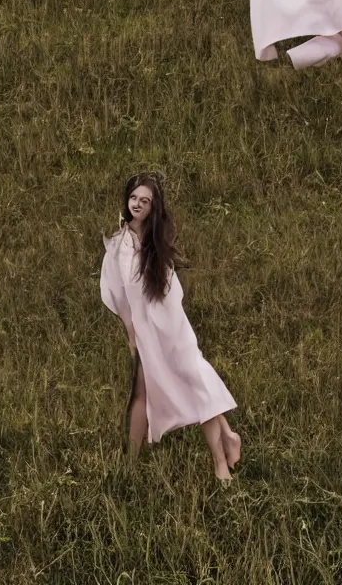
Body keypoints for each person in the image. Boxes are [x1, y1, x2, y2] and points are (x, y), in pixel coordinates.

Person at [100, 172, 241, 481]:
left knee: (196, 381)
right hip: (146, 330)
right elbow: (122, 297)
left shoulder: (154, 244)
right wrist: (131, 335)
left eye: (145, 201)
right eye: (134, 198)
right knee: (149, 390)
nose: (137, 204)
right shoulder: (120, 244)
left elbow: (169, 293)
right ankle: (132, 464)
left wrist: (167, 328)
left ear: (153, 208)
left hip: (171, 327)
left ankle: (220, 461)